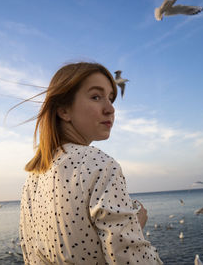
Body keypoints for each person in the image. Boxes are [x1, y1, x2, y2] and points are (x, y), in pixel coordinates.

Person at [19, 62, 163, 264]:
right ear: (64, 110)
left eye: (111, 98)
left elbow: (30, 256)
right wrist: (134, 229)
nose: (110, 109)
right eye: (96, 97)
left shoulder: (32, 179)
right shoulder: (100, 165)